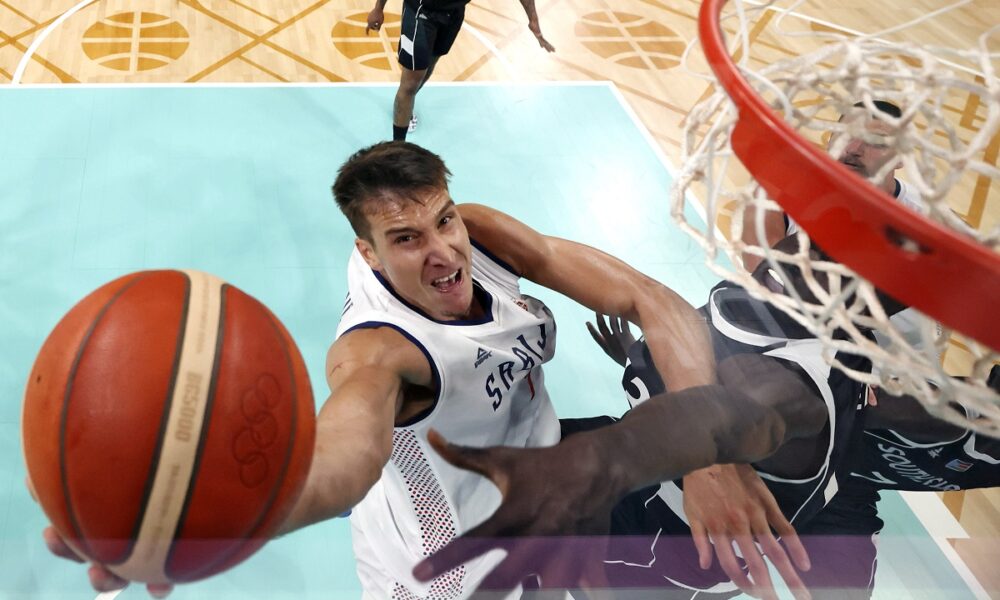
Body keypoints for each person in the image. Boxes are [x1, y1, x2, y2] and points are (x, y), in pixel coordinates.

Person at [38, 141, 760, 599]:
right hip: (450, 567)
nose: (443, 251)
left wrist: (702, 452)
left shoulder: (482, 237)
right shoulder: (378, 352)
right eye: (407, 239)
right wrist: (197, 531)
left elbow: (651, 297)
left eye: (444, 220)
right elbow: (343, 464)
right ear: (370, 253)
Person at [415, 234, 903, 598]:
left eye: (820, 256)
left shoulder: (787, 384)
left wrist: (703, 460)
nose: (799, 249)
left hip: (658, 544)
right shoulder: (762, 319)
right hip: (656, 504)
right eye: (808, 239)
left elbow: (732, 414)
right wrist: (640, 358)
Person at [741, 100, 921, 273]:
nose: (853, 149)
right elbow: (761, 268)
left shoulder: (926, 217)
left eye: (875, 141)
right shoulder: (777, 186)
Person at [366, 0, 555, 142]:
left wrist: (533, 19)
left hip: (453, 14)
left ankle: (405, 106)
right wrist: (378, 8)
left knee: (430, 65)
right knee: (410, 83)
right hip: (421, 14)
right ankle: (398, 148)